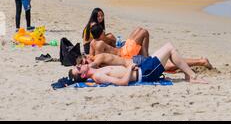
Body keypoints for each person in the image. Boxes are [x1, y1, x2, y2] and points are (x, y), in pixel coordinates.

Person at [69, 42, 208, 85]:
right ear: (82, 75)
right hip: (144, 72)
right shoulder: (98, 76)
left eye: (78, 65)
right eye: (78, 68)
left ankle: (189, 76)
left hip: (142, 68)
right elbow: (122, 83)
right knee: (170, 48)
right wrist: (129, 68)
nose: (80, 65)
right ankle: (192, 77)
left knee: (169, 49)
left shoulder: (98, 72)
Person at [77, 49, 213, 73]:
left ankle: (201, 61)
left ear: (87, 57)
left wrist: (79, 70)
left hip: (136, 62)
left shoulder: (98, 58)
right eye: (84, 64)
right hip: (136, 63)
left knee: (168, 65)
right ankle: (199, 61)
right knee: (168, 66)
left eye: (85, 62)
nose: (87, 64)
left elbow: (93, 65)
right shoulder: (98, 62)